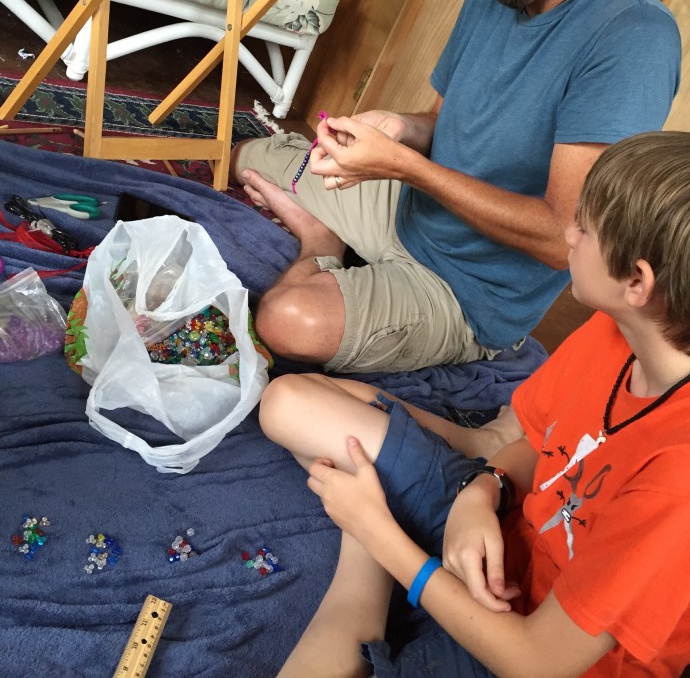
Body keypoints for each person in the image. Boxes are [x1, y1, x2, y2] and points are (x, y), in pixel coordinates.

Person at [230, 0, 681, 375]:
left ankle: (320, 243)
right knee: (246, 158)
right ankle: (338, 235)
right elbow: (440, 122)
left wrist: (404, 167)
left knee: (286, 319)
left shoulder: (633, 37)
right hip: (408, 211)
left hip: (469, 291)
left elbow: (560, 238)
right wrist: (398, 128)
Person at [259, 130, 690, 677]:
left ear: (636, 281)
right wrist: (484, 491)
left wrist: (377, 533)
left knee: (360, 537)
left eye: (584, 228)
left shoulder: (677, 482)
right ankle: (380, 548)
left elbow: (536, 662)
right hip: (494, 536)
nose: (568, 234)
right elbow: (536, 444)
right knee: (287, 401)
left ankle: (366, 565)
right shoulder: (616, 330)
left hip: (529, 648)